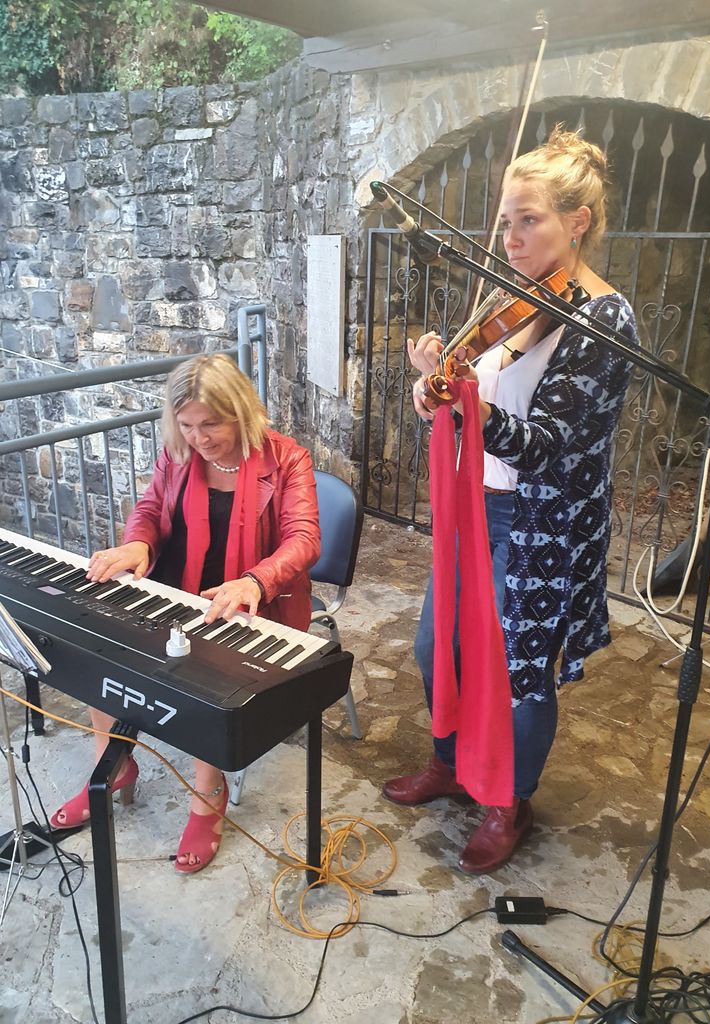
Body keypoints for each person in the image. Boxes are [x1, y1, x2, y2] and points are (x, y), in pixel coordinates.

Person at [382, 128, 639, 874]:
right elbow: (465, 399)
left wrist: (469, 403)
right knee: (439, 646)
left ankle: (509, 802)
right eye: (506, 222)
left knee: (519, 670)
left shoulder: (604, 319)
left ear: (577, 222)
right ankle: (450, 761)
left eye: (530, 220)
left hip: (542, 523)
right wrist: (435, 382)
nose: (512, 237)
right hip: (478, 506)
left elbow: (545, 444)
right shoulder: (512, 299)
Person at [49, 353, 320, 873]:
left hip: (250, 602)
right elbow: (151, 510)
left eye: (210, 424)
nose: (199, 438)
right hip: (172, 588)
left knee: (206, 676)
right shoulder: (178, 453)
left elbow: (304, 539)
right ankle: (113, 764)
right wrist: (137, 544)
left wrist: (255, 580)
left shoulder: (288, 459)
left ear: (240, 412)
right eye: (188, 425)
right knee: (98, 647)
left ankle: (207, 793)